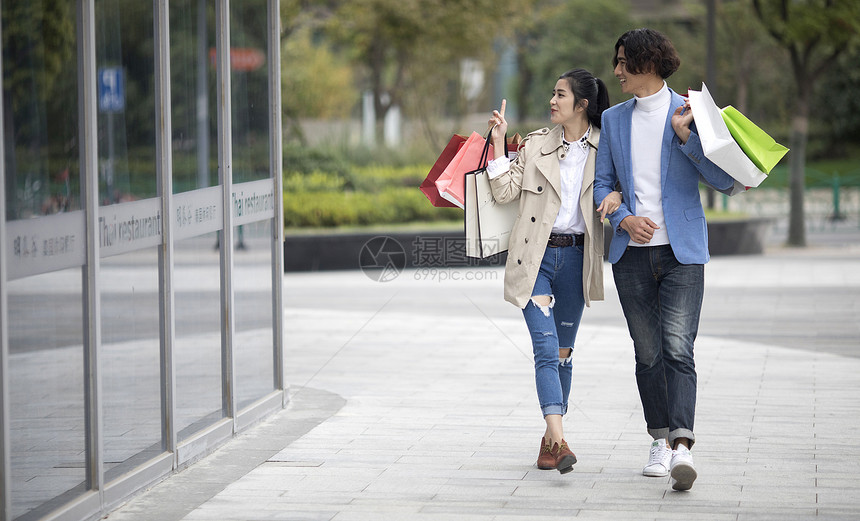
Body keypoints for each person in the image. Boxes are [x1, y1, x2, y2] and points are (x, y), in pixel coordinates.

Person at [593, 28, 736, 491]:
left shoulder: (691, 112)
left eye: (622, 63)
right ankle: (658, 437)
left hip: (682, 252)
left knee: (678, 348)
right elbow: (601, 185)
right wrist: (625, 220)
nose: (616, 72)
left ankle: (682, 447)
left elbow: (723, 180)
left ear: (646, 64)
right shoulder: (614, 120)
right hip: (630, 255)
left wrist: (685, 138)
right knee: (647, 352)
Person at [487, 68, 621, 474]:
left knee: (563, 355)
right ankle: (560, 440)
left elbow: (625, 187)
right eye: (552, 92)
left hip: (579, 260)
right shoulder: (534, 145)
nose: (553, 100)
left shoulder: (606, 147)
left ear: (582, 104)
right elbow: (504, 191)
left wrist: (615, 194)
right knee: (545, 349)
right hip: (535, 259)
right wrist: (497, 144)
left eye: (560, 94)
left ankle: (548, 441)